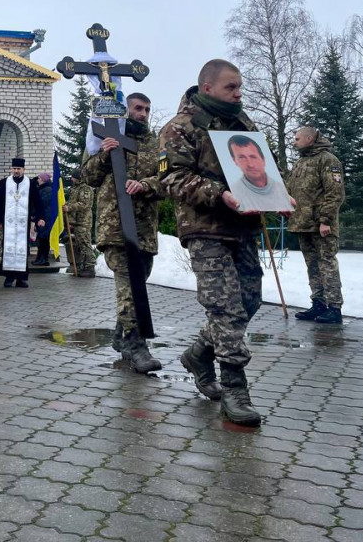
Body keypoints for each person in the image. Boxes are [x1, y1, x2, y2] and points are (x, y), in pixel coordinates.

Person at [158, 59, 276, 427]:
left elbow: (263, 170)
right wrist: (218, 193)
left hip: (243, 227)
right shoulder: (179, 128)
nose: (239, 93)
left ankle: (199, 353)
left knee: (249, 300)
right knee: (225, 308)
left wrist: (278, 197)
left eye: (240, 86)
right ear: (207, 88)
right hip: (205, 228)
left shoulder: (244, 125)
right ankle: (235, 389)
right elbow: (171, 178)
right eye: (231, 87)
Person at [83, 93, 165, 373]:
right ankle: (136, 344)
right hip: (116, 226)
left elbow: (167, 180)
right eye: (137, 108)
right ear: (126, 110)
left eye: (146, 109)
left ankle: (121, 334)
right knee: (129, 289)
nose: (142, 113)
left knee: (139, 283)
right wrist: (105, 154)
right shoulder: (108, 136)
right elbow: (89, 177)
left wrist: (146, 185)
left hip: (144, 228)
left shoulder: (156, 144)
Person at [286, 126, 346, 324]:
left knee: (327, 263)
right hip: (303, 223)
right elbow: (291, 190)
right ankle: (318, 303)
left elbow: (335, 193)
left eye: (297, 138)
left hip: (321, 225)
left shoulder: (328, 160)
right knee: (312, 265)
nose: (294, 142)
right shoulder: (300, 162)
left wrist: (325, 220)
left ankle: (334, 308)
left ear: (310, 138)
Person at [0, 157, 44, 288]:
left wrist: (41, 217)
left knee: (22, 249)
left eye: (18, 169)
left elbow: (38, 202)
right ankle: (9, 278)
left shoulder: (30, 183)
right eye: (14, 168)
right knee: (8, 248)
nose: (16, 171)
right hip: (8, 222)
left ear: (23, 169)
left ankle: (21, 279)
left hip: (23, 222)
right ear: (11, 169)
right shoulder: (5, 183)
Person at [226, 134, 285, 212]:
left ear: (263, 159)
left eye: (253, 157)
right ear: (235, 161)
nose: (250, 164)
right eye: (242, 157)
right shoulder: (235, 189)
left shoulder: (280, 188)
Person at [64, 169, 97, 277]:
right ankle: (81, 267)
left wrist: (70, 207)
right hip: (76, 221)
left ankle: (90, 267)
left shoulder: (85, 188)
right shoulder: (76, 188)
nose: (71, 179)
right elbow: (73, 201)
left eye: (72, 177)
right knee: (79, 244)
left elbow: (84, 204)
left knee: (85, 243)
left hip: (83, 221)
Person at [32, 172, 54, 266]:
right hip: (43, 217)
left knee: (44, 239)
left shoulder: (47, 190)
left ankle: (44, 259)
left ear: (44, 180)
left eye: (39, 179)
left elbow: (41, 203)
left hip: (45, 218)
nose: (38, 180)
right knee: (41, 239)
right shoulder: (43, 189)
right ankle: (40, 258)